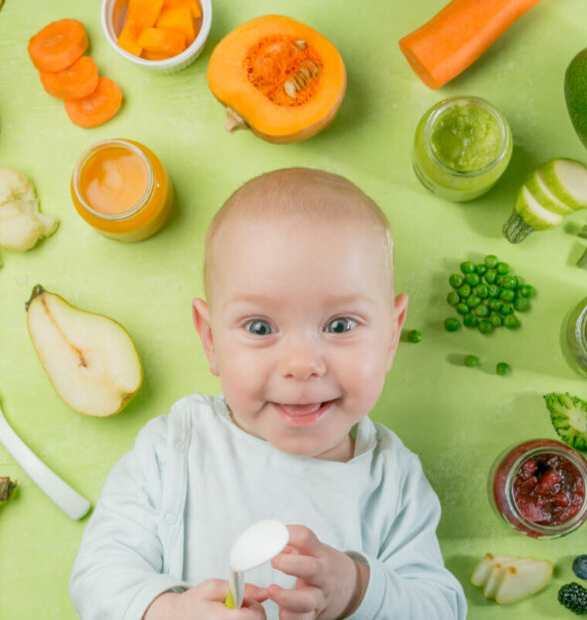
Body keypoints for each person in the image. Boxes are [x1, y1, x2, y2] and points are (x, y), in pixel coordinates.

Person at [69, 168, 467, 620]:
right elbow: (97, 577)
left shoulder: (392, 481)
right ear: (211, 340)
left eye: (340, 325)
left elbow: (442, 609)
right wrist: (165, 611)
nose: (301, 365)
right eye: (260, 328)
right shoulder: (173, 448)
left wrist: (357, 590)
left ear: (391, 337)